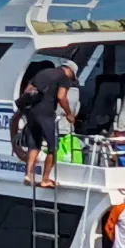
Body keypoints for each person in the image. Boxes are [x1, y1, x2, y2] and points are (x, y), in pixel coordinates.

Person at [20, 60, 78, 188]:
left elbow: (27, 90)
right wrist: (69, 114)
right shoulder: (64, 77)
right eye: (73, 77)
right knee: (53, 147)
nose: (71, 80)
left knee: (34, 145)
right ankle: (45, 179)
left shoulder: (42, 73)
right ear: (70, 71)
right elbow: (61, 96)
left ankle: (28, 175)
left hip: (32, 112)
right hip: (45, 114)